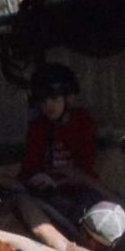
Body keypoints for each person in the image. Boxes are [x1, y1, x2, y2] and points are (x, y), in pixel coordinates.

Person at [19, 62, 106, 208]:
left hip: (81, 191)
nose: (48, 105)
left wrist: (57, 180)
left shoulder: (82, 123)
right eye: (43, 100)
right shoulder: (38, 127)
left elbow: (84, 170)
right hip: (47, 194)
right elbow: (30, 166)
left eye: (54, 98)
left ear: (68, 98)